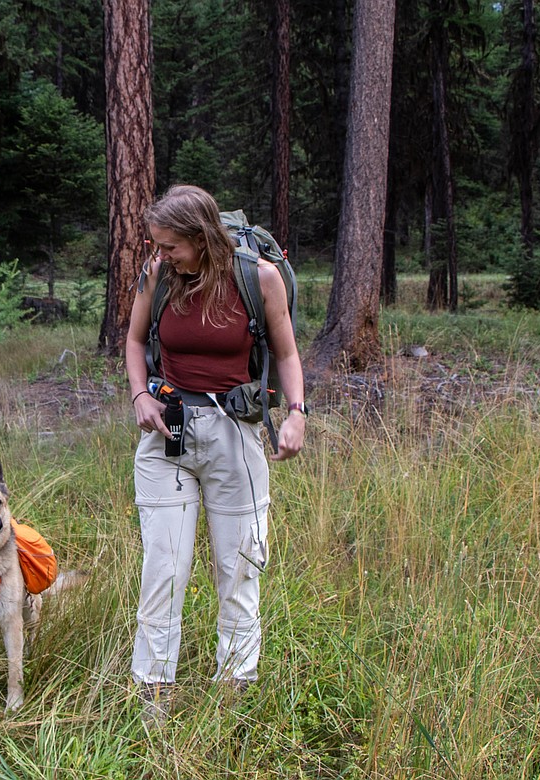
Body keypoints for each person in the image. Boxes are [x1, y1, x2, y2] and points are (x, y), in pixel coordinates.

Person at [125, 184, 306, 717]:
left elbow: (288, 352)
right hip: (168, 432)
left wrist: (296, 414)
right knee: (163, 568)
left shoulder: (259, 279)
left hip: (236, 432)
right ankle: (153, 693)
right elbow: (135, 343)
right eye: (156, 246)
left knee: (241, 566)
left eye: (170, 246)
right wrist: (140, 394)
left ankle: (234, 691)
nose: (161, 256)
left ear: (202, 237)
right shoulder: (156, 276)